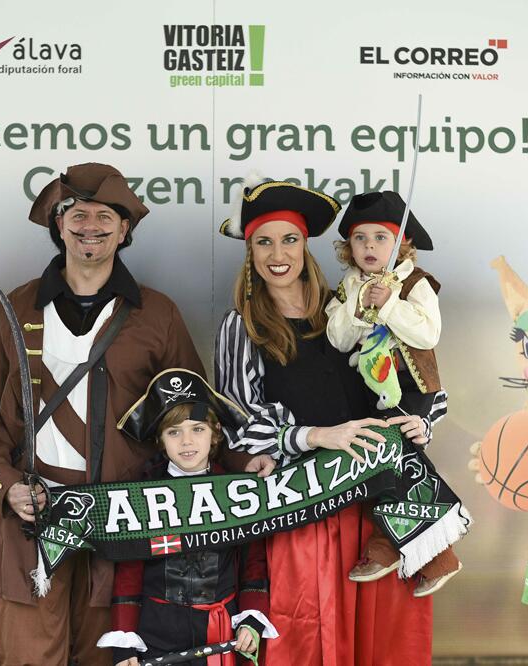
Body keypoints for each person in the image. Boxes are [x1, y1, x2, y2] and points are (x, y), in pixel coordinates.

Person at [0, 163, 273, 666]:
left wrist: (237, 463)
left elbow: (192, 412)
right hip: (31, 522)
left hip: (123, 525)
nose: (91, 226)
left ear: (124, 229)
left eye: (105, 216)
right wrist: (4, 482)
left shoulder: (157, 314)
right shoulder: (17, 308)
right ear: (58, 225)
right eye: (77, 214)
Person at [214, 178, 437, 665]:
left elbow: (411, 370)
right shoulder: (243, 324)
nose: (279, 253)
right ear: (250, 251)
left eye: (289, 239)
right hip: (307, 502)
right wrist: (314, 435)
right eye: (264, 242)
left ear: (307, 246)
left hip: (375, 499)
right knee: (310, 635)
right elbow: (235, 420)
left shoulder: (347, 307)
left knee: (382, 637)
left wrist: (422, 420)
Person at [325, 191, 461, 596]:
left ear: (401, 243)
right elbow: (336, 338)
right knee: (378, 468)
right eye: (360, 238)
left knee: (396, 467)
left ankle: (417, 553)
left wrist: (388, 306)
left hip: (409, 389)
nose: (369, 246)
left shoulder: (417, 283)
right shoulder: (348, 285)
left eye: (380, 238)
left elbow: (427, 333)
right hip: (367, 394)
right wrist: (357, 306)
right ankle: (400, 550)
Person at [98, 368, 278, 666]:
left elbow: (253, 562)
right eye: (174, 432)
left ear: (215, 433)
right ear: (160, 438)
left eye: (197, 429)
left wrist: (251, 619)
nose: (186, 442)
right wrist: (125, 642)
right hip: (156, 635)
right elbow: (129, 571)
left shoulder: (237, 492)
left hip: (219, 635)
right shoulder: (142, 494)